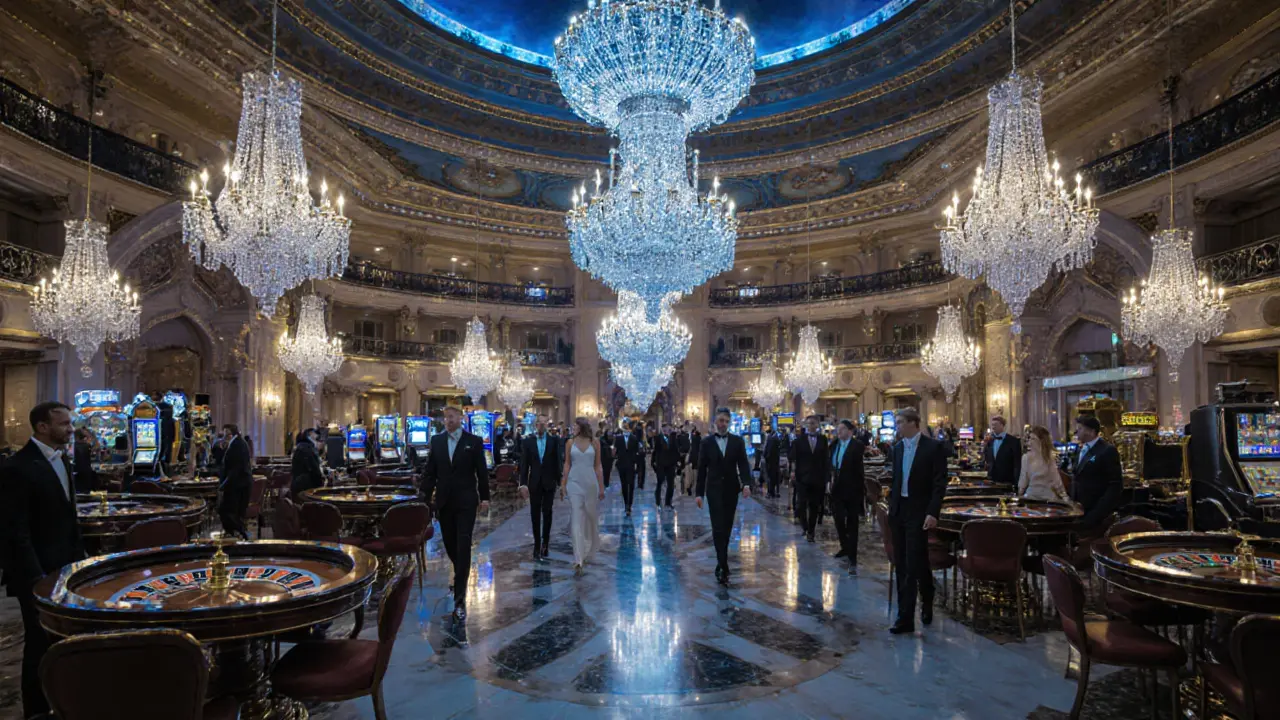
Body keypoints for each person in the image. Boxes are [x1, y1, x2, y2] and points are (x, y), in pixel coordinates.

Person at [0, 402, 85, 719]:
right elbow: (15, 533)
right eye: (63, 424)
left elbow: (68, 517)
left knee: (61, 640)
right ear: (42, 427)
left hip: (66, 569)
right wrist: (35, 578)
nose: (70, 429)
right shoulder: (17, 468)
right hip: (35, 574)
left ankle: (62, 702)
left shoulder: (62, 458)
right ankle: (36, 711)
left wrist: (81, 561)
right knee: (37, 645)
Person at [422, 406, 490, 619]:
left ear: (460, 417)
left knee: (463, 544)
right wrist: (423, 498)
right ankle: (460, 574)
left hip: (466, 502)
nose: (448, 421)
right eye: (445, 418)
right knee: (451, 545)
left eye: (451, 417)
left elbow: (482, 472)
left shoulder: (474, 441)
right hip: (444, 502)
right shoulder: (437, 441)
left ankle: (460, 599)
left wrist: (485, 497)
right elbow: (430, 473)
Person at [886, 407, 947, 635]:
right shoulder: (898, 448)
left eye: (900, 422)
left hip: (920, 512)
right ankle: (911, 609)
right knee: (904, 563)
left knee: (913, 564)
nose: (897, 426)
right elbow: (896, 480)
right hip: (899, 511)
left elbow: (939, 483)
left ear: (914, 423)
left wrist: (933, 512)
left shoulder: (934, 448)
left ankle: (906, 617)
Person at [696, 407, 753, 586]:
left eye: (726, 421)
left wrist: (746, 483)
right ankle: (722, 564)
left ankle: (722, 560)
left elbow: (743, 464)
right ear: (715, 422)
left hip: (731, 489)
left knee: (727, 526)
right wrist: (698, 493)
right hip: (713, 490)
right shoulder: (706, 443)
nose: (723, 424)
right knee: (717, 526)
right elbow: (701, 469)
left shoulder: (737, 442)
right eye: (721, 421)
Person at [561, 417, 604, 574]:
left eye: (575, 425)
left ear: (582, 427)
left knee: (590, 516)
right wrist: (563, 483)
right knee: (576, 517)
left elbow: (598, 466)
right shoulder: (569, 443)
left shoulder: (595, 443)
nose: (573, 428)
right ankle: (578, 558)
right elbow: (567, 464)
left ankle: (589, 547)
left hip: (590, 483)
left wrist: (601, 487)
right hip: (574, 482)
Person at [519, 415, 562, 561]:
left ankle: (545, 543)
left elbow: (558, 462)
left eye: (544, 423)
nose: (542, 425)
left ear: (548, 425)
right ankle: (537, 544)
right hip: (535, 483)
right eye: (539, 423)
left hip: (549, 482)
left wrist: (560, 482)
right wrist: (523, 483)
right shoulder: (528, 442)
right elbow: (524, 465)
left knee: (548, 513)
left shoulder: (554, 441)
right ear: (536, 425)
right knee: (535, 514)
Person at [1069, 416, 1123, 533]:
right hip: (1078, 512)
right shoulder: (1080, 449)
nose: (1076, 431)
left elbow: (1115, 486)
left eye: (1080, 428)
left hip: (1096, 514)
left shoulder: (1107, 450)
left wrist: (1097, 514)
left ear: (1091, 431)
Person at [829, 419, 865, 574]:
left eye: (842, 429)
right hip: (836, 489)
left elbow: (859, 471)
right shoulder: (835, 445)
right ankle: (845, 547)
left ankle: (853, 556)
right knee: (838, 520)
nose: (839, 432)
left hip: (852, 490)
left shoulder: (857, 446)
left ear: (850, 431)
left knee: (852, 524)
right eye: (838, 429)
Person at [790, 415, 829, 543]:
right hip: (802, 477)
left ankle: (811, 531)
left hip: (818, 477)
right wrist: (793, 472)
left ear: (817, 425)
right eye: (808, 424)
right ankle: (805, 527)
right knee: (801, 504)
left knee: (814, 506)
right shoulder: (799, 440)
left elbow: (826, 459)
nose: (811, 426)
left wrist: (827, 477)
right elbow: (794, 458)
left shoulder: (823, 440)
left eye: (813, 423)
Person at [218, 423, 253, 540]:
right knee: (230, 511)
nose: (223, 434)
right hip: (238, 483)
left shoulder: (237, 444)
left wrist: (224, 484)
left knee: (227, 511)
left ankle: (241, 534)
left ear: (229, 432)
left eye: (224, 431)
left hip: (237, 484)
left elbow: (235, 468)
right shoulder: (236, 442)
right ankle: (235, 534)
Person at [1019, 425, 1070, 503]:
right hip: (1031, 496)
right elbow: (1023, 480)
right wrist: (1019, 496)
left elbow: (1056, 481)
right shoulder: (1026, 458)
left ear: (1041, 441)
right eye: (1030, 438)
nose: (1030, 442)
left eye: (1033, 439)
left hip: (1047, 498)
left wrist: (1065, 497)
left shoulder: (1049, 457)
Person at [983, 415, 1022, 488]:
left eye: (996, 425)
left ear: (1002, 425)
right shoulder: (990, 440)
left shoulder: (1013, 441)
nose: (993, 427)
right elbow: (987, 459)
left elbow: (1017, 464)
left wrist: (1016, 483)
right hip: (992, 480)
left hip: (1007, 481)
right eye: (992, 425)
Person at [613, 421, 642, 516]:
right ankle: (626, 504)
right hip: (621, 464)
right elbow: (615, 451)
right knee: (624, 485)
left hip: (631, 464)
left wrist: (637, 465)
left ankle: (630, 504)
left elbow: (637, 452)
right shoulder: (618, 438)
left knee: (631, 485)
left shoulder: (634, 438)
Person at [651, 423, 680, 509]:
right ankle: (658, 501)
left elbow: (675, 450)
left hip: (671, 464)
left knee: (671, 484)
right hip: (661, 464)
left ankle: (668, 502)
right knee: (660, 483)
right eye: (663, 429)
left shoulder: (673, 438)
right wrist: (653, 462)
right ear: (662, 430)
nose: (665, 430)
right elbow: (655, 451)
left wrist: (677, 461)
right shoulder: (658, 438)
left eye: (666, 429)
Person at [290, 428, 325, 498]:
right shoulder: (307, 448)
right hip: (305, 489)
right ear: (310, 434)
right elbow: (314, 470)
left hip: (297, 486)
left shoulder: (301, 446)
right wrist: (321, 486)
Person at [758, 426, 782, 498]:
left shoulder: (771, 439)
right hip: (775, 461)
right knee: (774, 477)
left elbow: (768, 450)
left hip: (770, 461)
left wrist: (765, 457)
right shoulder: (776, 438)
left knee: (769, 477)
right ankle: (774, 492)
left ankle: (770, 492)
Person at [72, 427, 99, 492]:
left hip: (76, 473)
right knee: (85, 492)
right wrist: (93, 436)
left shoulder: (73, 446)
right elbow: (97, 447)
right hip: (86, 473)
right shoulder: (86, 446)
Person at [686, 423, 702, 496]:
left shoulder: (693, 438)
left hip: (693, 458)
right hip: (698, 458)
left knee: (693, 475)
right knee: (697, 476)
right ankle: (695, 489)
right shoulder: (699, 439)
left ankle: (690, 487)